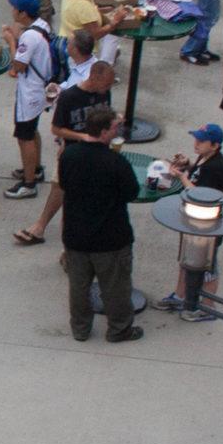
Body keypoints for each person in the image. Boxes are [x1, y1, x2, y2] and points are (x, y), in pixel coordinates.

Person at [19, 100, 145, 341]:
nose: (118, 131)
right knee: (116, 288)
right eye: (115, 127)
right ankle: (119, 329)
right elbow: (131, 193)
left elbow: (64, 185)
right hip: (111, 239)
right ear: (105, 131)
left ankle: (80, 329)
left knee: (78, 288)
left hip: (76, 236)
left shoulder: (70, 156)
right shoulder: (117, 163)